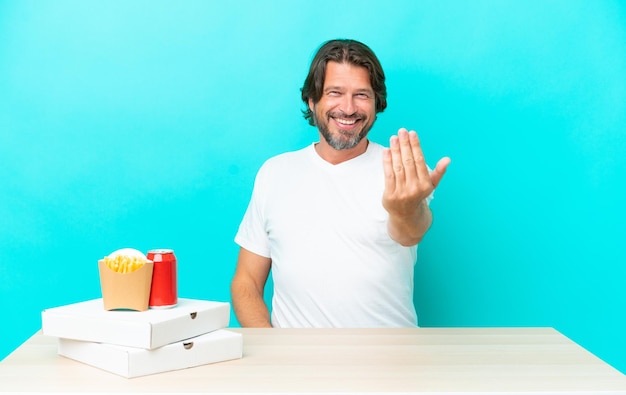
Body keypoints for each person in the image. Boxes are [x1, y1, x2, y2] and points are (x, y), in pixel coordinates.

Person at [230, 39, 450, 328]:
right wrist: (275, 357)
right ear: (312, 100)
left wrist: (405, 210)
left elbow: (410, 233)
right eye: (335, 92)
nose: (348, 108)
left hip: (391, 364)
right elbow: (245, 282)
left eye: (362, 95)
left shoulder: (400, 169)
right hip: (296, 368)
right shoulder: (275, 173)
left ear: (376, 103)